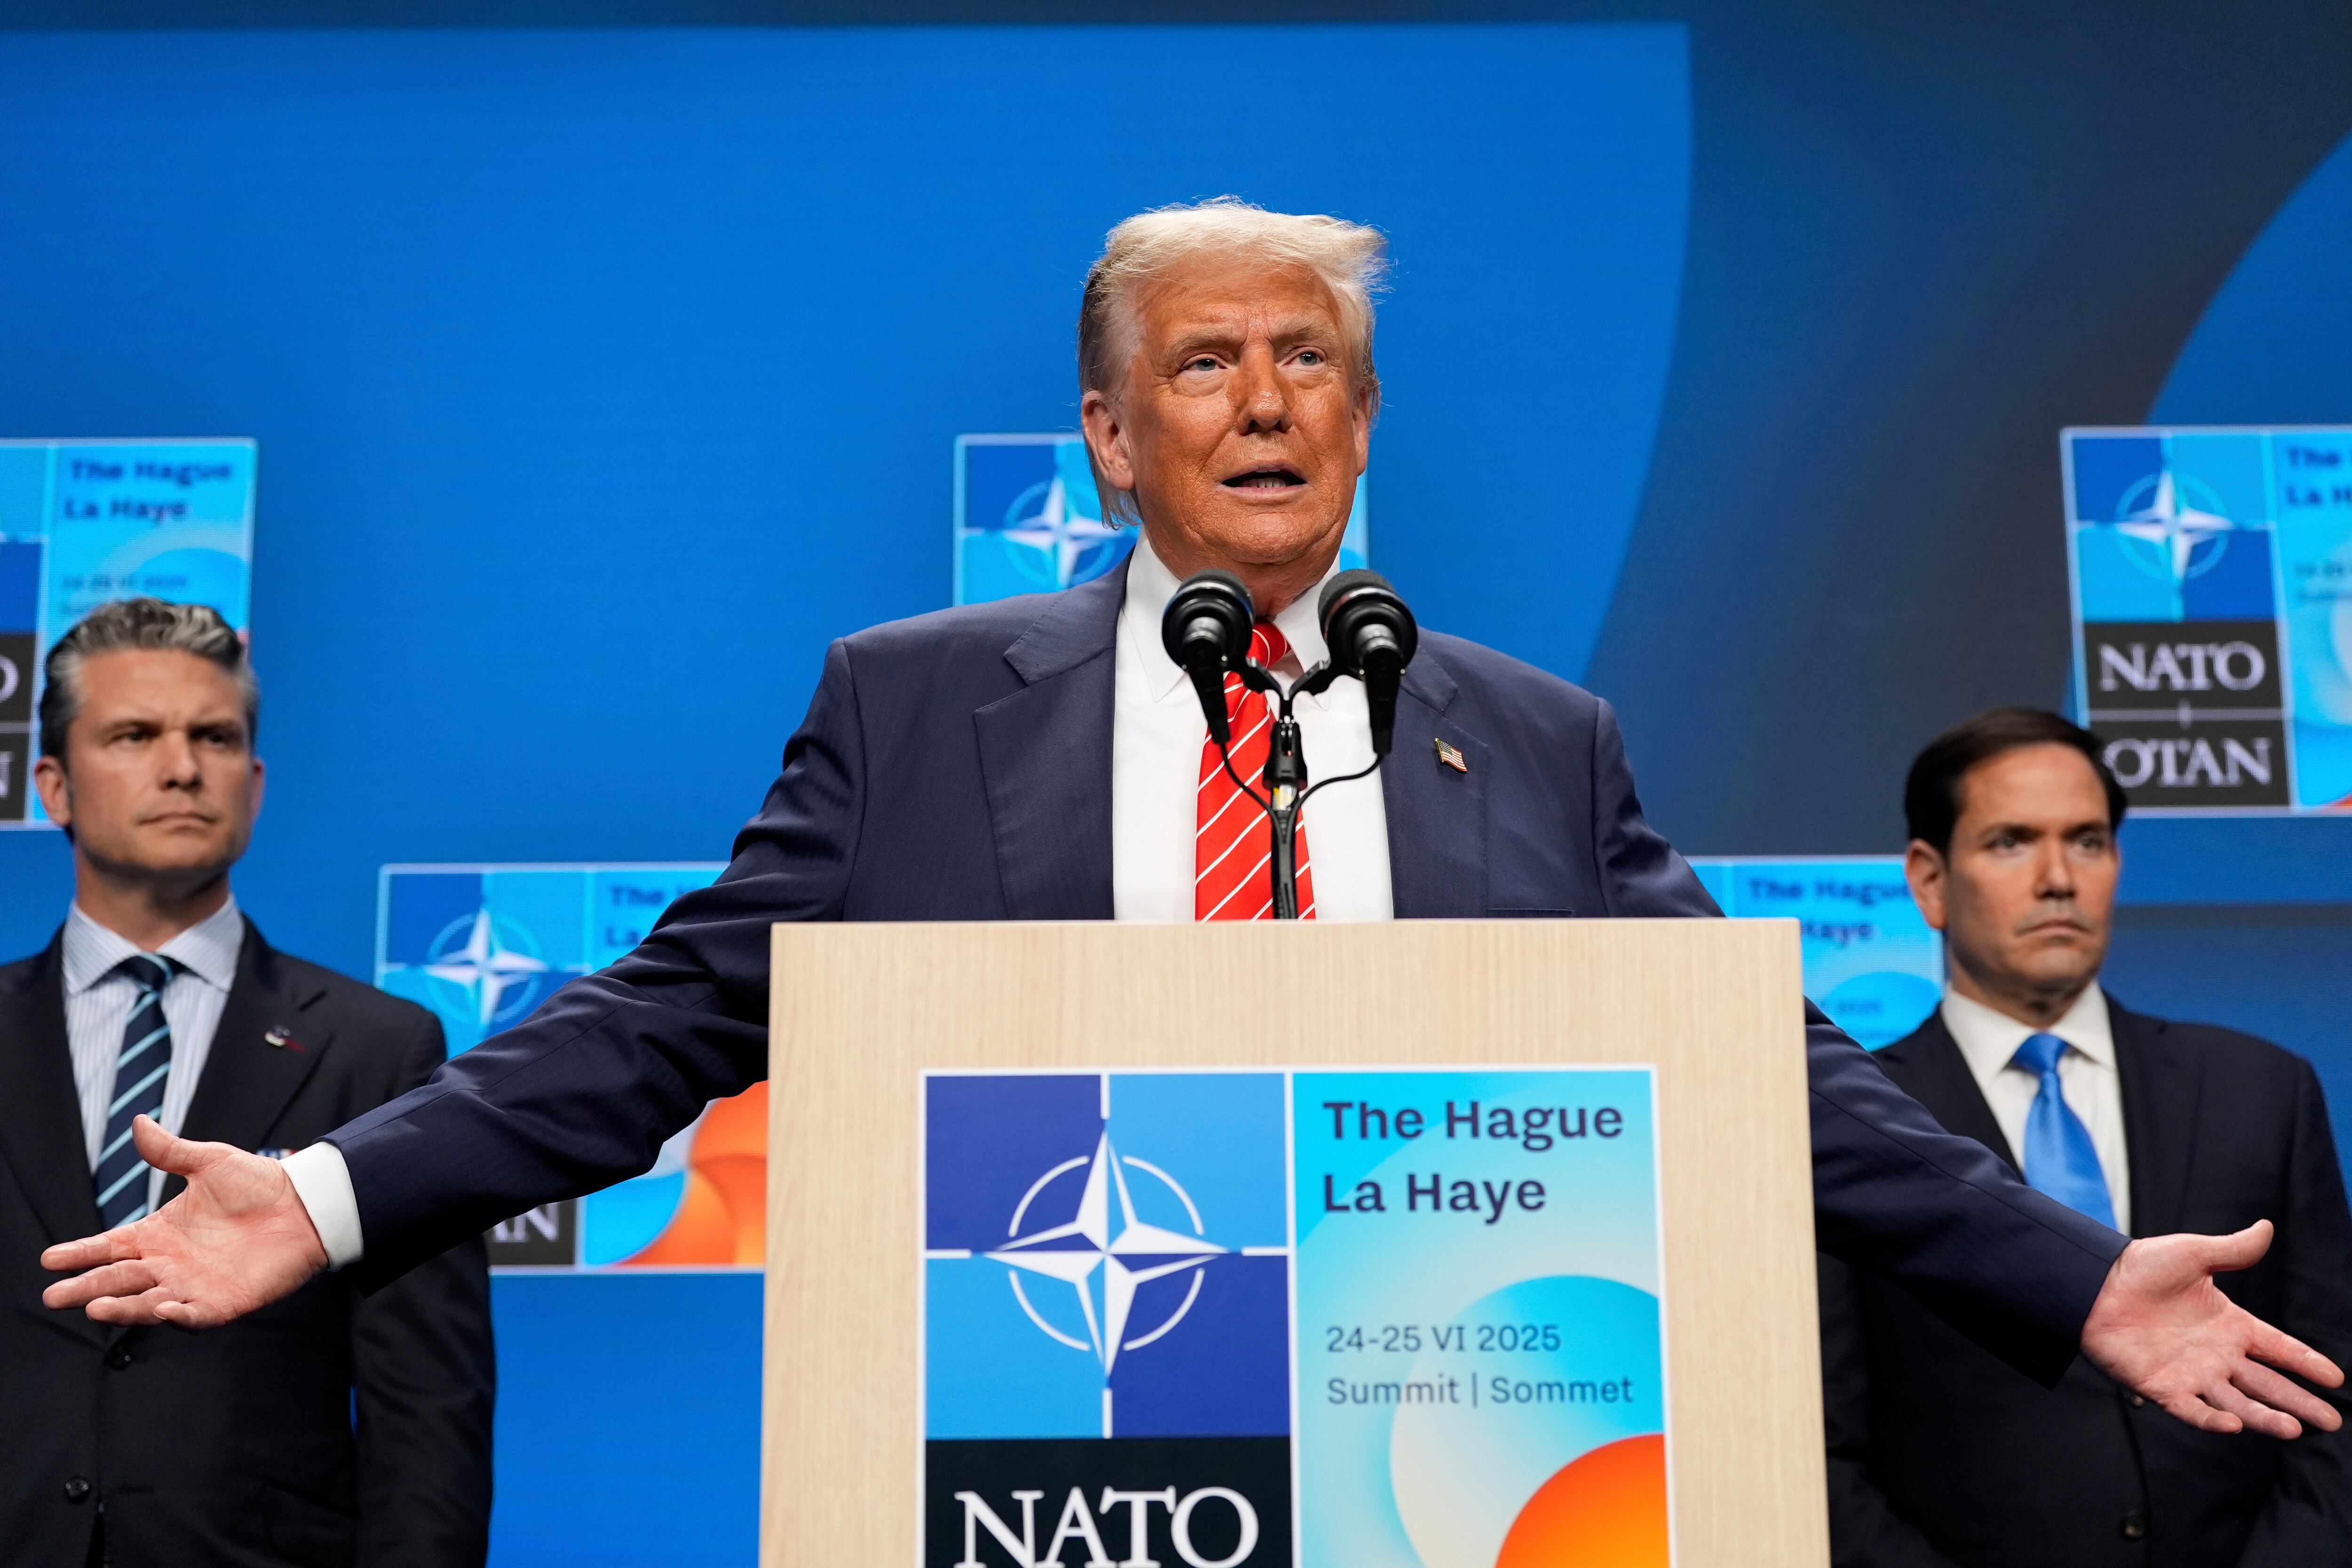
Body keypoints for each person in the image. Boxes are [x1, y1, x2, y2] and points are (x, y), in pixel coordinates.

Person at [41, 201, 2343, 1443]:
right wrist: (327, 1194)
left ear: (1364, 415)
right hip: (1042, 1421)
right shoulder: (918, 703)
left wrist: (2066, 1268)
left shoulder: (1530, 736)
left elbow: (1762, 1064)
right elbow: (659, 1024)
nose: (1265, 398)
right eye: (1205, 362)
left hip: (1444, 1432)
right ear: (1107, 436)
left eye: (1307, 356)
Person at [2, 600, 495, 1568]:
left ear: (256, 784)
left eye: (215, 737)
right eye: (135, 735)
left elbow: (428, 1409)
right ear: (53, 786)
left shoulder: (379, 1051)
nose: (182, 767)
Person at [1818, 708, 2352, 1566]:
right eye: (2012, 842)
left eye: (2088, 841)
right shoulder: (1852, 1128)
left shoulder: (2262, 1091)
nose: (2059, 878)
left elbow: (2335, 1400)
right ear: (1930, 880)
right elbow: (1822, 1454)